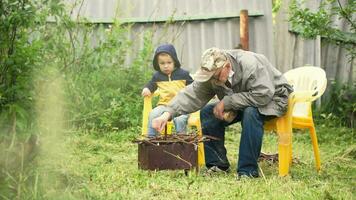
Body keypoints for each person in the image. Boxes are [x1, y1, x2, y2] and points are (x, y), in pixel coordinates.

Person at [151, 47, 293, 178]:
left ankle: (247, 171)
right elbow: (192, 94)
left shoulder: (250, 64)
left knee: (251, 112)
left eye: (215, 76)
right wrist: (167, 114)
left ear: (227, 67)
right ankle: (217, 164)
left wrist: (226, 102)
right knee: (207, 112)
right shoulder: (213, 74)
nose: (212, 80)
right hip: (242, 99)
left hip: (273, 99)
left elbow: (263, 94)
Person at [142, 43, 193, 137]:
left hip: (181, 106)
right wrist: (147, 89)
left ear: (174, 62)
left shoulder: (183, 74)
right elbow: (151, 84)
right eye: (162, 63)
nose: (166, 66)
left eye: (169, 63)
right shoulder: (157, 76)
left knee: (180, 119)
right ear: (157, 64)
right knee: (153, 114)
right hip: (163, 105)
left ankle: (182, 141)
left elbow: (194, 87)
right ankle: (152, 139)